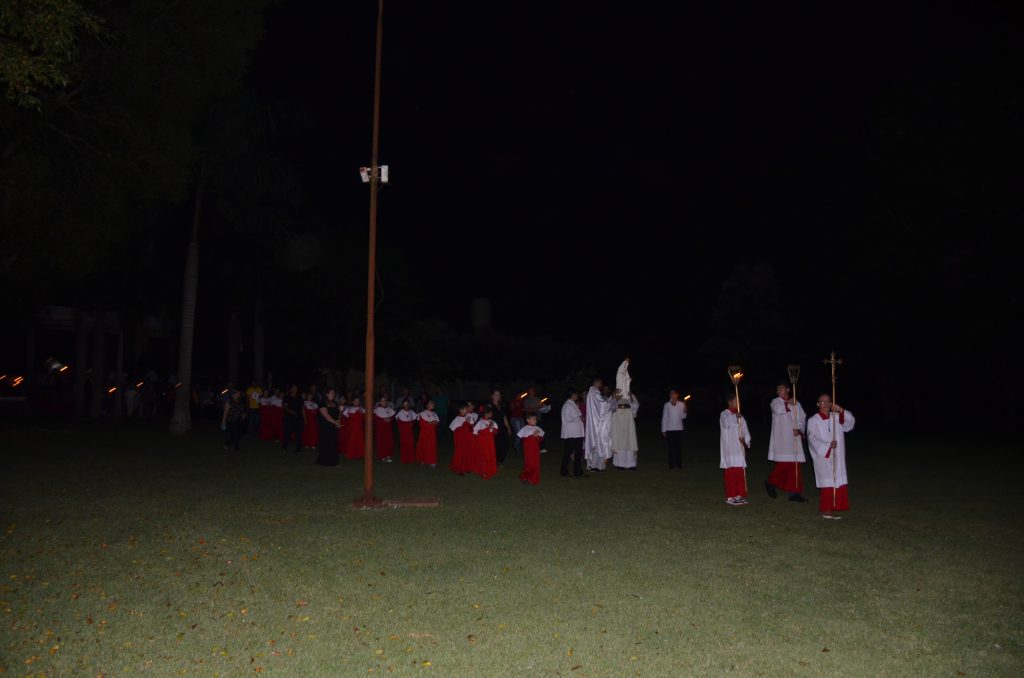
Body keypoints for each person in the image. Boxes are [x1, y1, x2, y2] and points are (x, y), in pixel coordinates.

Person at [807, 393, 856, 519]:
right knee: (828, 482)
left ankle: (836, 506)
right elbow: (812, 438)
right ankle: (826, 509)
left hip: (837, 455)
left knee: (837, 480)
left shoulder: (836, 417)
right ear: (818, 404)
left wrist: (840, 409)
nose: (825, 404)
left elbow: (850, 424)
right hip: (824, 456)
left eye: (828, 401)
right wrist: (828, 445)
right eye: (822, 402)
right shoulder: (813, 420)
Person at [764, 383, 809, 502]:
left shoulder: (796, 403)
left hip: (794, 438)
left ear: (788, 389)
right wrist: (788, 403)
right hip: (782, 438)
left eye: (782, 388)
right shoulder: (776, 401)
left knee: (795, 466)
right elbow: (777, 410)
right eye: (777, 388)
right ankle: (771, 481)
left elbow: (802, 418)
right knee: (784, 464)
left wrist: (799, 429)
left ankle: (794, 493)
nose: (779, 390)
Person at [720, 395, 751, 505]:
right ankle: (731, 496)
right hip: (729, 448)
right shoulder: (724, 414)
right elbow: (726, 424)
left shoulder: (740, 416)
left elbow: (745, 429)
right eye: (736, 401)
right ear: (730, 402)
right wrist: (735, 416)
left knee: (739, 471)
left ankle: (739, 494)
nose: (739, 404)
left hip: (739, 448)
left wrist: (746, 440)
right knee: (731, 472)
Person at [584, 378, 614, 471]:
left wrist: (611, 399)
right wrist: (612, 398)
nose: (601, 385)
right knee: (599, 443)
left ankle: (595, 465)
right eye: (601, 383)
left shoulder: (593, 392)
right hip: (597, 424)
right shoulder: (594, 393)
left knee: (597, 444)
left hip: (596, 422)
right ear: (596, 383)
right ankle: (597, 466)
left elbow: (602, 405)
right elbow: (603, 407)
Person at [611, 388, 639, 470]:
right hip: (617, 417)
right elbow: (610, 405)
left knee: (630, 439)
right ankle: (620, 464)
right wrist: (614, 398)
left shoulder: (630, 394)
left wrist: (630, 397)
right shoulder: (615, 393)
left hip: (628, 417)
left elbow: (636, 406)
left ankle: (631, 464)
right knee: (619, 439)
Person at [560, 389, 585, 477]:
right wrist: (580, 418)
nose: (577, 395)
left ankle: (578, 472)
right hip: (570, 433)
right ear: (573, 395)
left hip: (577, 433)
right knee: (568, 453)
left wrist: (580, 417)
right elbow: (568, 418)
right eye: (576, 394)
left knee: (578, 453)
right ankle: (563, 471)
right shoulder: (567, 405)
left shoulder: (573, 404)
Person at [661, 389, 688, 469]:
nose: (672, 396)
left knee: (678, 447)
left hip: (679, 428)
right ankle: (671, 465)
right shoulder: (667, 405)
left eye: (674, 394)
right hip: (669, 429)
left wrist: (685, 410)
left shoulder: (681, 404)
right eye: (671, 394)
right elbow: (665, 417)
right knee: (671, 448)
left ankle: (679, 465)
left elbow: (683, 417)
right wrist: (663, 430)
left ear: (677, 395)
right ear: (670, 395)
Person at [315, 388, 343, 467]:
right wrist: (335, 422)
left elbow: (339, 414)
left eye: (334, 393)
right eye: (331, 393)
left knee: (334, 444)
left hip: (334, 426)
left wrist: (338, 421)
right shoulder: (323, 403)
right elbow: (326, 415)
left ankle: (334, 462)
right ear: (327, 394)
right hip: (325, 426)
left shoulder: (336, 403)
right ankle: (324, 461)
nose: (333, 394)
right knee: (326, 443)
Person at [517, 412, 544, 485]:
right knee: (529, 464)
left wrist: (537, 436)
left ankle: (533, 479)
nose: (535, 421)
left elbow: (540, 439)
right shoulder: (525, 429)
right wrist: (533, 436)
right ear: (528, 420)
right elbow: (524, 439)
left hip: (535, 449)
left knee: (535, 464)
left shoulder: (537, 428)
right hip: (529, 450)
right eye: (533, 419)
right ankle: (525, 477)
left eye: (536, 419)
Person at [473, 406, 499, 479]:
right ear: (486, 414)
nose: (492, 414)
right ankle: (483, 471)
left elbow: (495, 432)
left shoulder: (492, 421)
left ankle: (491, 468)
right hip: (483, 443)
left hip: (490, 442)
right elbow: (477, 432)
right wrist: (488, 428)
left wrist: (492, 428)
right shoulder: (480, 422)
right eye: (490, 412)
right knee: (484, 456)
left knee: (490, 455)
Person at [488, 390, 513, 468]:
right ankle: (496, 462)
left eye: (499, 395)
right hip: (494, 428)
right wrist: (490, 425)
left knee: (505, 446)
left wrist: (508, 427)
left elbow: (504, 417)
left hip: (502, 428)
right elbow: (487, 416)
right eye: (496, 395)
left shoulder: (501, 405)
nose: (498, 396)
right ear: (492, 396)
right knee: (497, 446)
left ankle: (499, 461)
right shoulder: (490, 406)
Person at [449, 403, 474, 475]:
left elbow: (470, 429)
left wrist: (469, 424)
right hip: (460, 440)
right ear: (461, 410)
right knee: (460, 453)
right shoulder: (457, 419)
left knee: (467, 453)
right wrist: (466, 423)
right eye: (466, 409)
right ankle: (459, 468)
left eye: (467, 409)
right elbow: (457, 430)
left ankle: (466, 467)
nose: (467, 410)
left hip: (467, 439)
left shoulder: (468, 417)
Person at [415, 400, 440, 467]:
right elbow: (421, 424)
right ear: (427, 405)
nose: (433, 404)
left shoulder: (434, 413)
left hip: (432, 433)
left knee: (432, 446)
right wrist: (431, 423)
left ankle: (432, 461)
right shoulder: (422, 413)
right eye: (431, 403)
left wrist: (432, 423)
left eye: (433, 403)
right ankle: (423, 459)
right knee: (423, 445)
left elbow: (437, 422)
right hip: (424, 433)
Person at [281, 385, 304, 453]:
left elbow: (302, 408)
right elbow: (284, 407)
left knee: (298, 434)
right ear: (291, 389)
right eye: (293, 388)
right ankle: (284, 447)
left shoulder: (300, 398)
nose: (295, 389)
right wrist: (290, 411)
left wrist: (304, 418)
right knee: (287, 433)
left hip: (298, 418)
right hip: (288, 418)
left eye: (296, 388)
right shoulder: (287, 397)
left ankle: (298, 449)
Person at [373, 395, 396, 462]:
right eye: (382, 401)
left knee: (389, 442)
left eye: (385, 401)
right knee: (381, 442)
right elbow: (376, 419)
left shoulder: (389, 409)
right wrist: (383, 420)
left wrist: (390, 419)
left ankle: (388, 455)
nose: (384, 402)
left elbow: (392, 417)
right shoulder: (377, 409)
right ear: (380, 402)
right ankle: (382, 456)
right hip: (381, 429)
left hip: (388, 429)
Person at [396, 399, 417, 464]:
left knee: (410, 444)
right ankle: (404, 459)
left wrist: (412, 423)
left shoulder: (411, 412)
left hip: (410, 432)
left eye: (407, 404)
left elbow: (414, 419)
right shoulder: (400, 413)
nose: (406, 406)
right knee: (404, 445)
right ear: (403, 405)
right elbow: (399, 422)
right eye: (405, 404)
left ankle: (411, 458)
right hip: (403, 432)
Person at [508, 391, 526, 456]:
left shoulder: (521, 401)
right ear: (517, 395)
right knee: (519, 433)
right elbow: (511, 408)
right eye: (520, 395)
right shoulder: (513, 401)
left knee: (522, 433)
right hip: (515, 418)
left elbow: (523, 409)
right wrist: (515, 405)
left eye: (521, 395)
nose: (521, 396)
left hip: (521, 418)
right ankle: (518, 449)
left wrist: (524, 409)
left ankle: (516, 445)